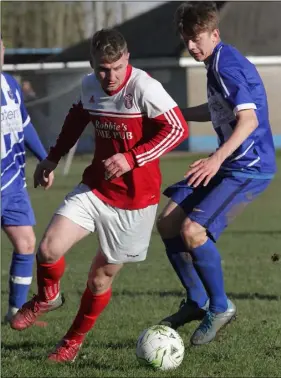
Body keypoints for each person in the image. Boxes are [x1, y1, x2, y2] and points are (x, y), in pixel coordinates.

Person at [10, 28, 189, 362]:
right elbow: (77, 118)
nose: (109, 76)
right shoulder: (89, 84)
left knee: (99, 278)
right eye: (102, 69)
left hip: (136, 202)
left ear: (127, 60)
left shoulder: (145, 89)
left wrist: (130, 158)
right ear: (93, 64)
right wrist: (51, 158)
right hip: (96, 188)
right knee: (48, 248)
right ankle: (48, 296)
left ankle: (72, 341)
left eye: (116, 68)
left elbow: (178, 128)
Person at [157, 1, 276, 346]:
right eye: (186, 39)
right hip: (229, 163)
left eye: (197, 39)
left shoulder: (227, 66)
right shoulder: (215, 63)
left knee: (193, 231)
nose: (192, 46)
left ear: (214, 34)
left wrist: (215, 158)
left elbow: (249, 120)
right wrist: (174, 116)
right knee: (168, 223)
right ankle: (197, 300)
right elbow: (215, 110)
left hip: (248, 168)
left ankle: (220, 307)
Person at [0, 36, 54, 323]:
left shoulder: (9, 84)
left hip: (14, 179)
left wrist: (45, 159)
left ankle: (15, 312)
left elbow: (24, 124)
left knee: (25, 242)